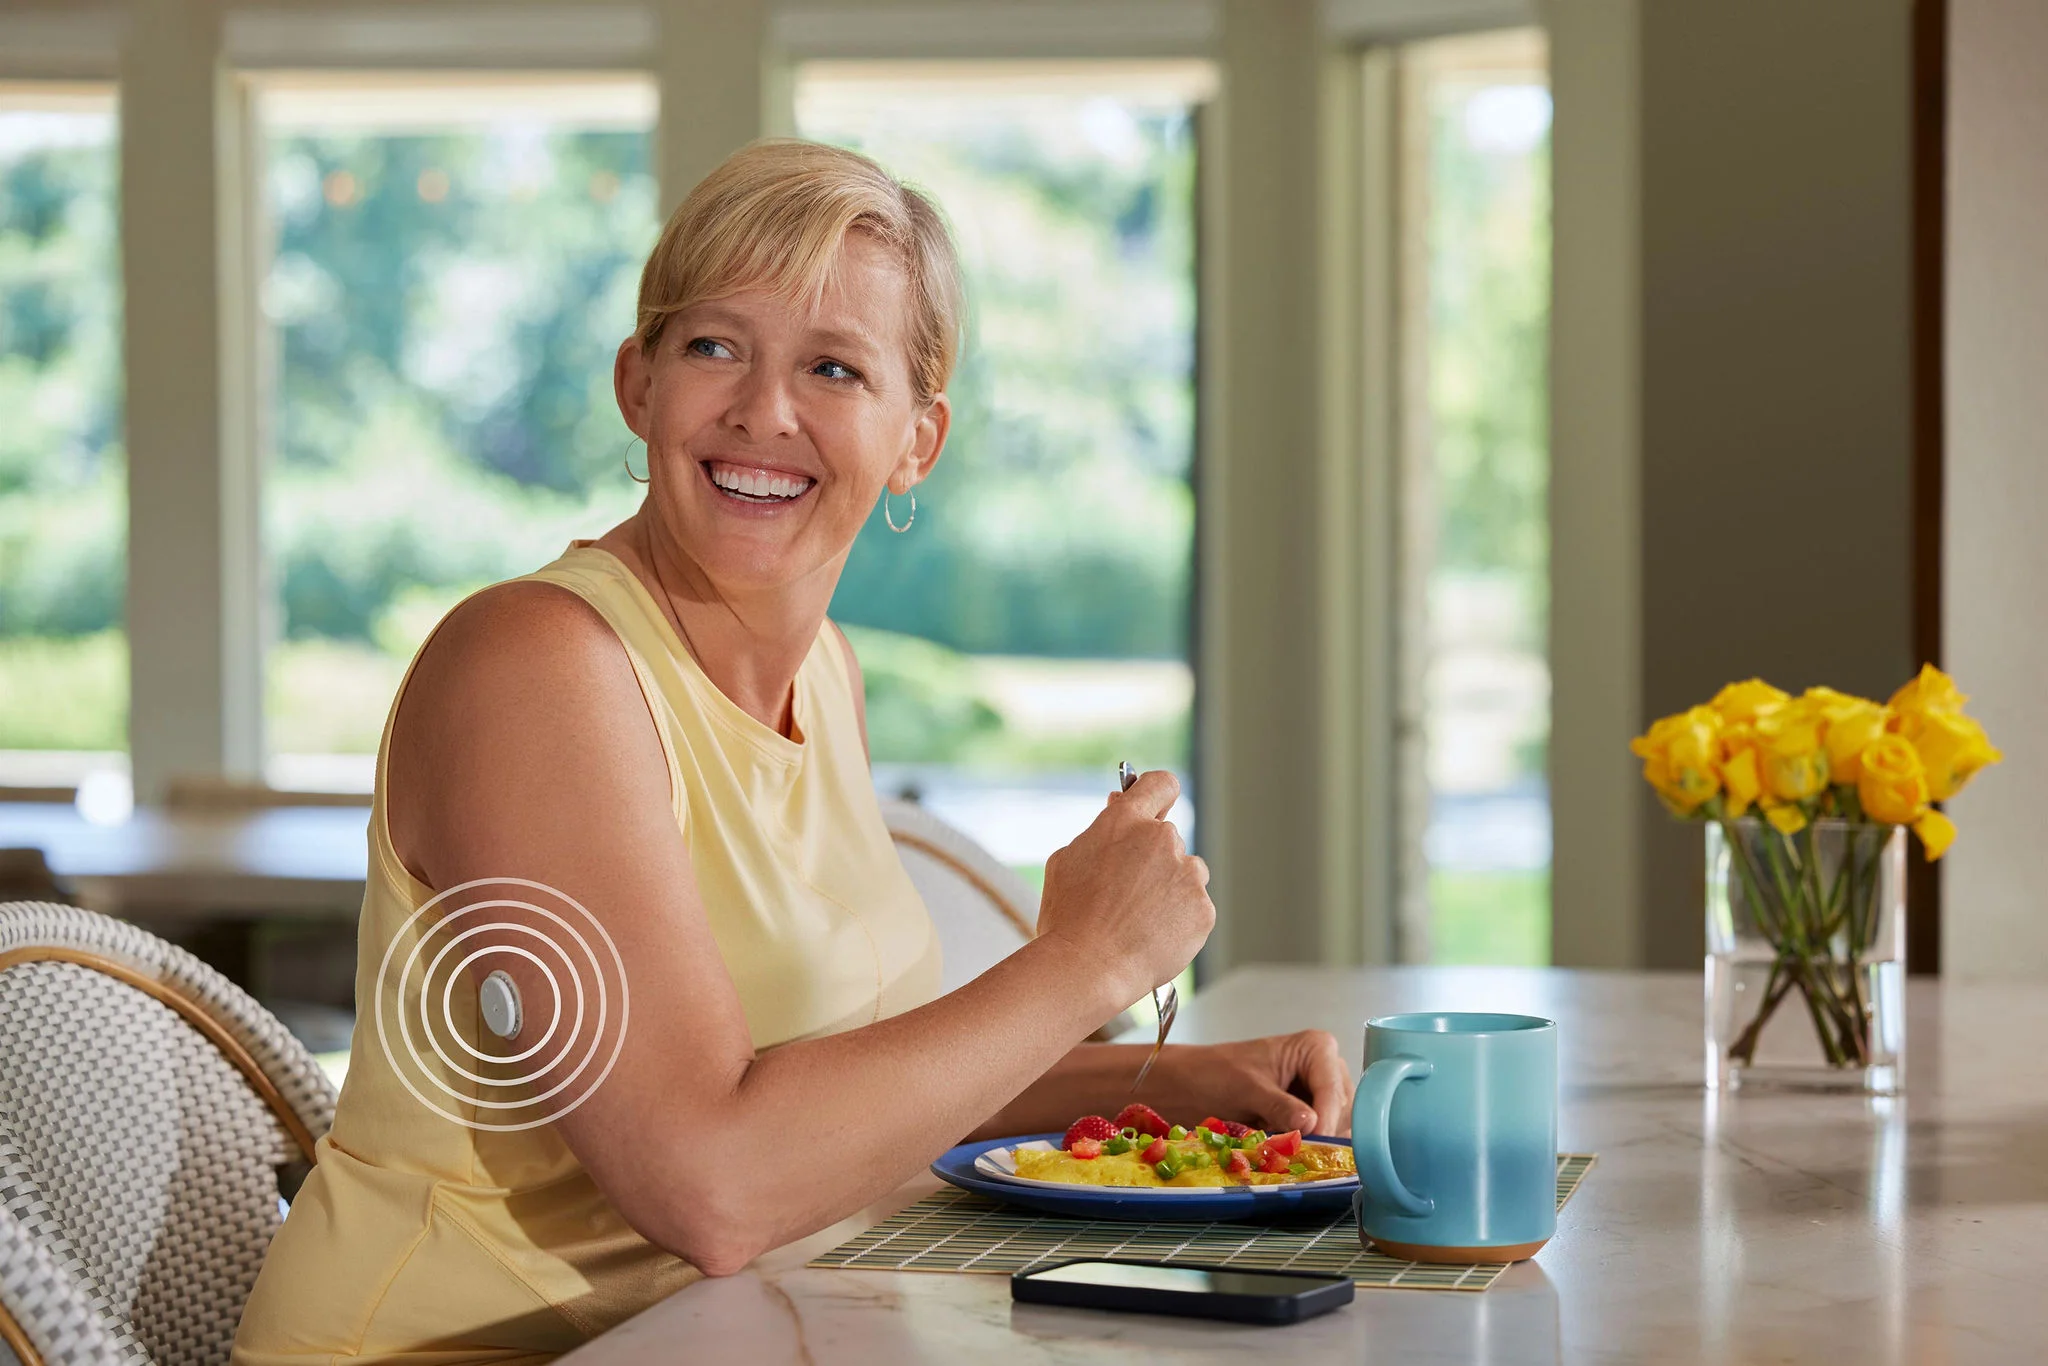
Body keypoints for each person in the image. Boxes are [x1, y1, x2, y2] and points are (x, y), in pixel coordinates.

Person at [232, 138, 1351, 1363]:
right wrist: (1082, 960)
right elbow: (714, 1182)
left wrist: (1176, 1085)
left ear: (917, 439)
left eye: (832, 365)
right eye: (715, 346)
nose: (764, 411)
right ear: (637, 386)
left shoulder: (828, 675)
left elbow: (824, 1106)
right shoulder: (533, 667)